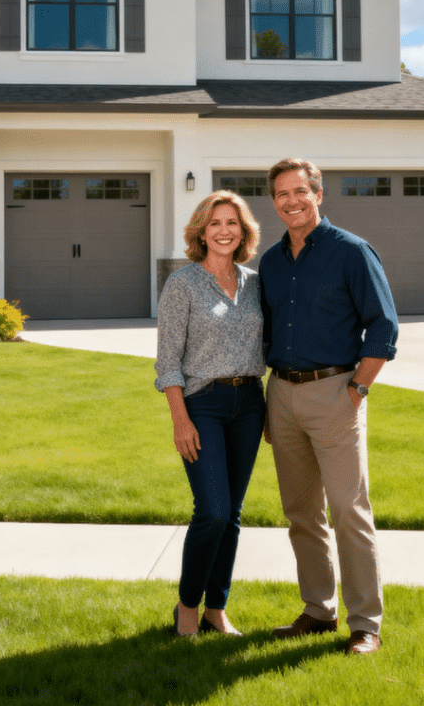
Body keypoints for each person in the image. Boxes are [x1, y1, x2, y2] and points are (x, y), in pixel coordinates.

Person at [258, 158, 397, 656]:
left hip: (335, 391)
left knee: (347, 508)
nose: (291, 201)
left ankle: (365, 623)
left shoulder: (351, 252)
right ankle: (318, 611)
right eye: (281, 194)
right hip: (283, 393)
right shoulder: (271, 262)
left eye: (300, 191)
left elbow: (383, 328)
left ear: (318, 194)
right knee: (300, 510)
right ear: (273, 202)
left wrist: (357, 389)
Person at [155, 190, 266, 638]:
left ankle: (216, 608)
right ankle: (187, 605)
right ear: (201, 231)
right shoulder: (182, 284)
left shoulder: (256, 283)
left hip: (250, 404)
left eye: (233, 223)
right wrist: (181, 419)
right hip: (203, 405)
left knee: (233, 512)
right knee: (213, 510)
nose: (224, 231)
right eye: (215, 223)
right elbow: (168, 362)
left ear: (244, 232)